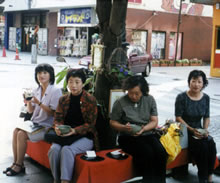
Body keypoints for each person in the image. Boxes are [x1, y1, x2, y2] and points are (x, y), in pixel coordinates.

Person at [3, 63, 62, 176]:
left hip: (47, 126)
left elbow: (53, 113)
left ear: (51, 75)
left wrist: (38, 102)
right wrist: (28, 101)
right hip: (35, 123)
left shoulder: (55, 91)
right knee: (16, 131)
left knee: (21, 134)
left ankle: (20, 165)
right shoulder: (37, 90)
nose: (41, 75)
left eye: (45, 73)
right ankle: (16, 163)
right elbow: (30, 111)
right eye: (39, 73)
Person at [110, 75, 167, 183]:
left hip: (147, 133)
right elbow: (112, 122)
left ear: (143, 91)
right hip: (127, 137)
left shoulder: (149, 99)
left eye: (137, 93)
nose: (133, 96)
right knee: (147, 153)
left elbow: (154, 121)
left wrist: (143, 129)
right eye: (130, 93)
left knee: (161, 152)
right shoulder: (120, 102)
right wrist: (123, 127)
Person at [48, 68, 98, 183]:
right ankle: (56, 180)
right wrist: (57, 128)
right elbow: (58, 118)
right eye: (70, 81)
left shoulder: (90, 100)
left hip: (85, 136)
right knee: (54, 150)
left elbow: (91, 125)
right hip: (65, 135)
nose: (73, 85)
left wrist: (75, 131)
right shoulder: (63, 99)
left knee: (67, 150)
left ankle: (65, 181)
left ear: (83, 83)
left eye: (77, 82)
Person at [175, 70, 216, 183]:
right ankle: (202, 178)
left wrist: (205, 130)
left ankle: (210, 175)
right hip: (184, 131)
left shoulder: (206, 98)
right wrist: (192, 130)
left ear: (203, 84)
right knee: (202, 147)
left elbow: (206, 117)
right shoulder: (181, 97)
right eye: (193, 81)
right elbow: (178, 117)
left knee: (211, 143)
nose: (196, 84)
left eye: (199, 82)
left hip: (199, 130)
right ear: (189, 82)